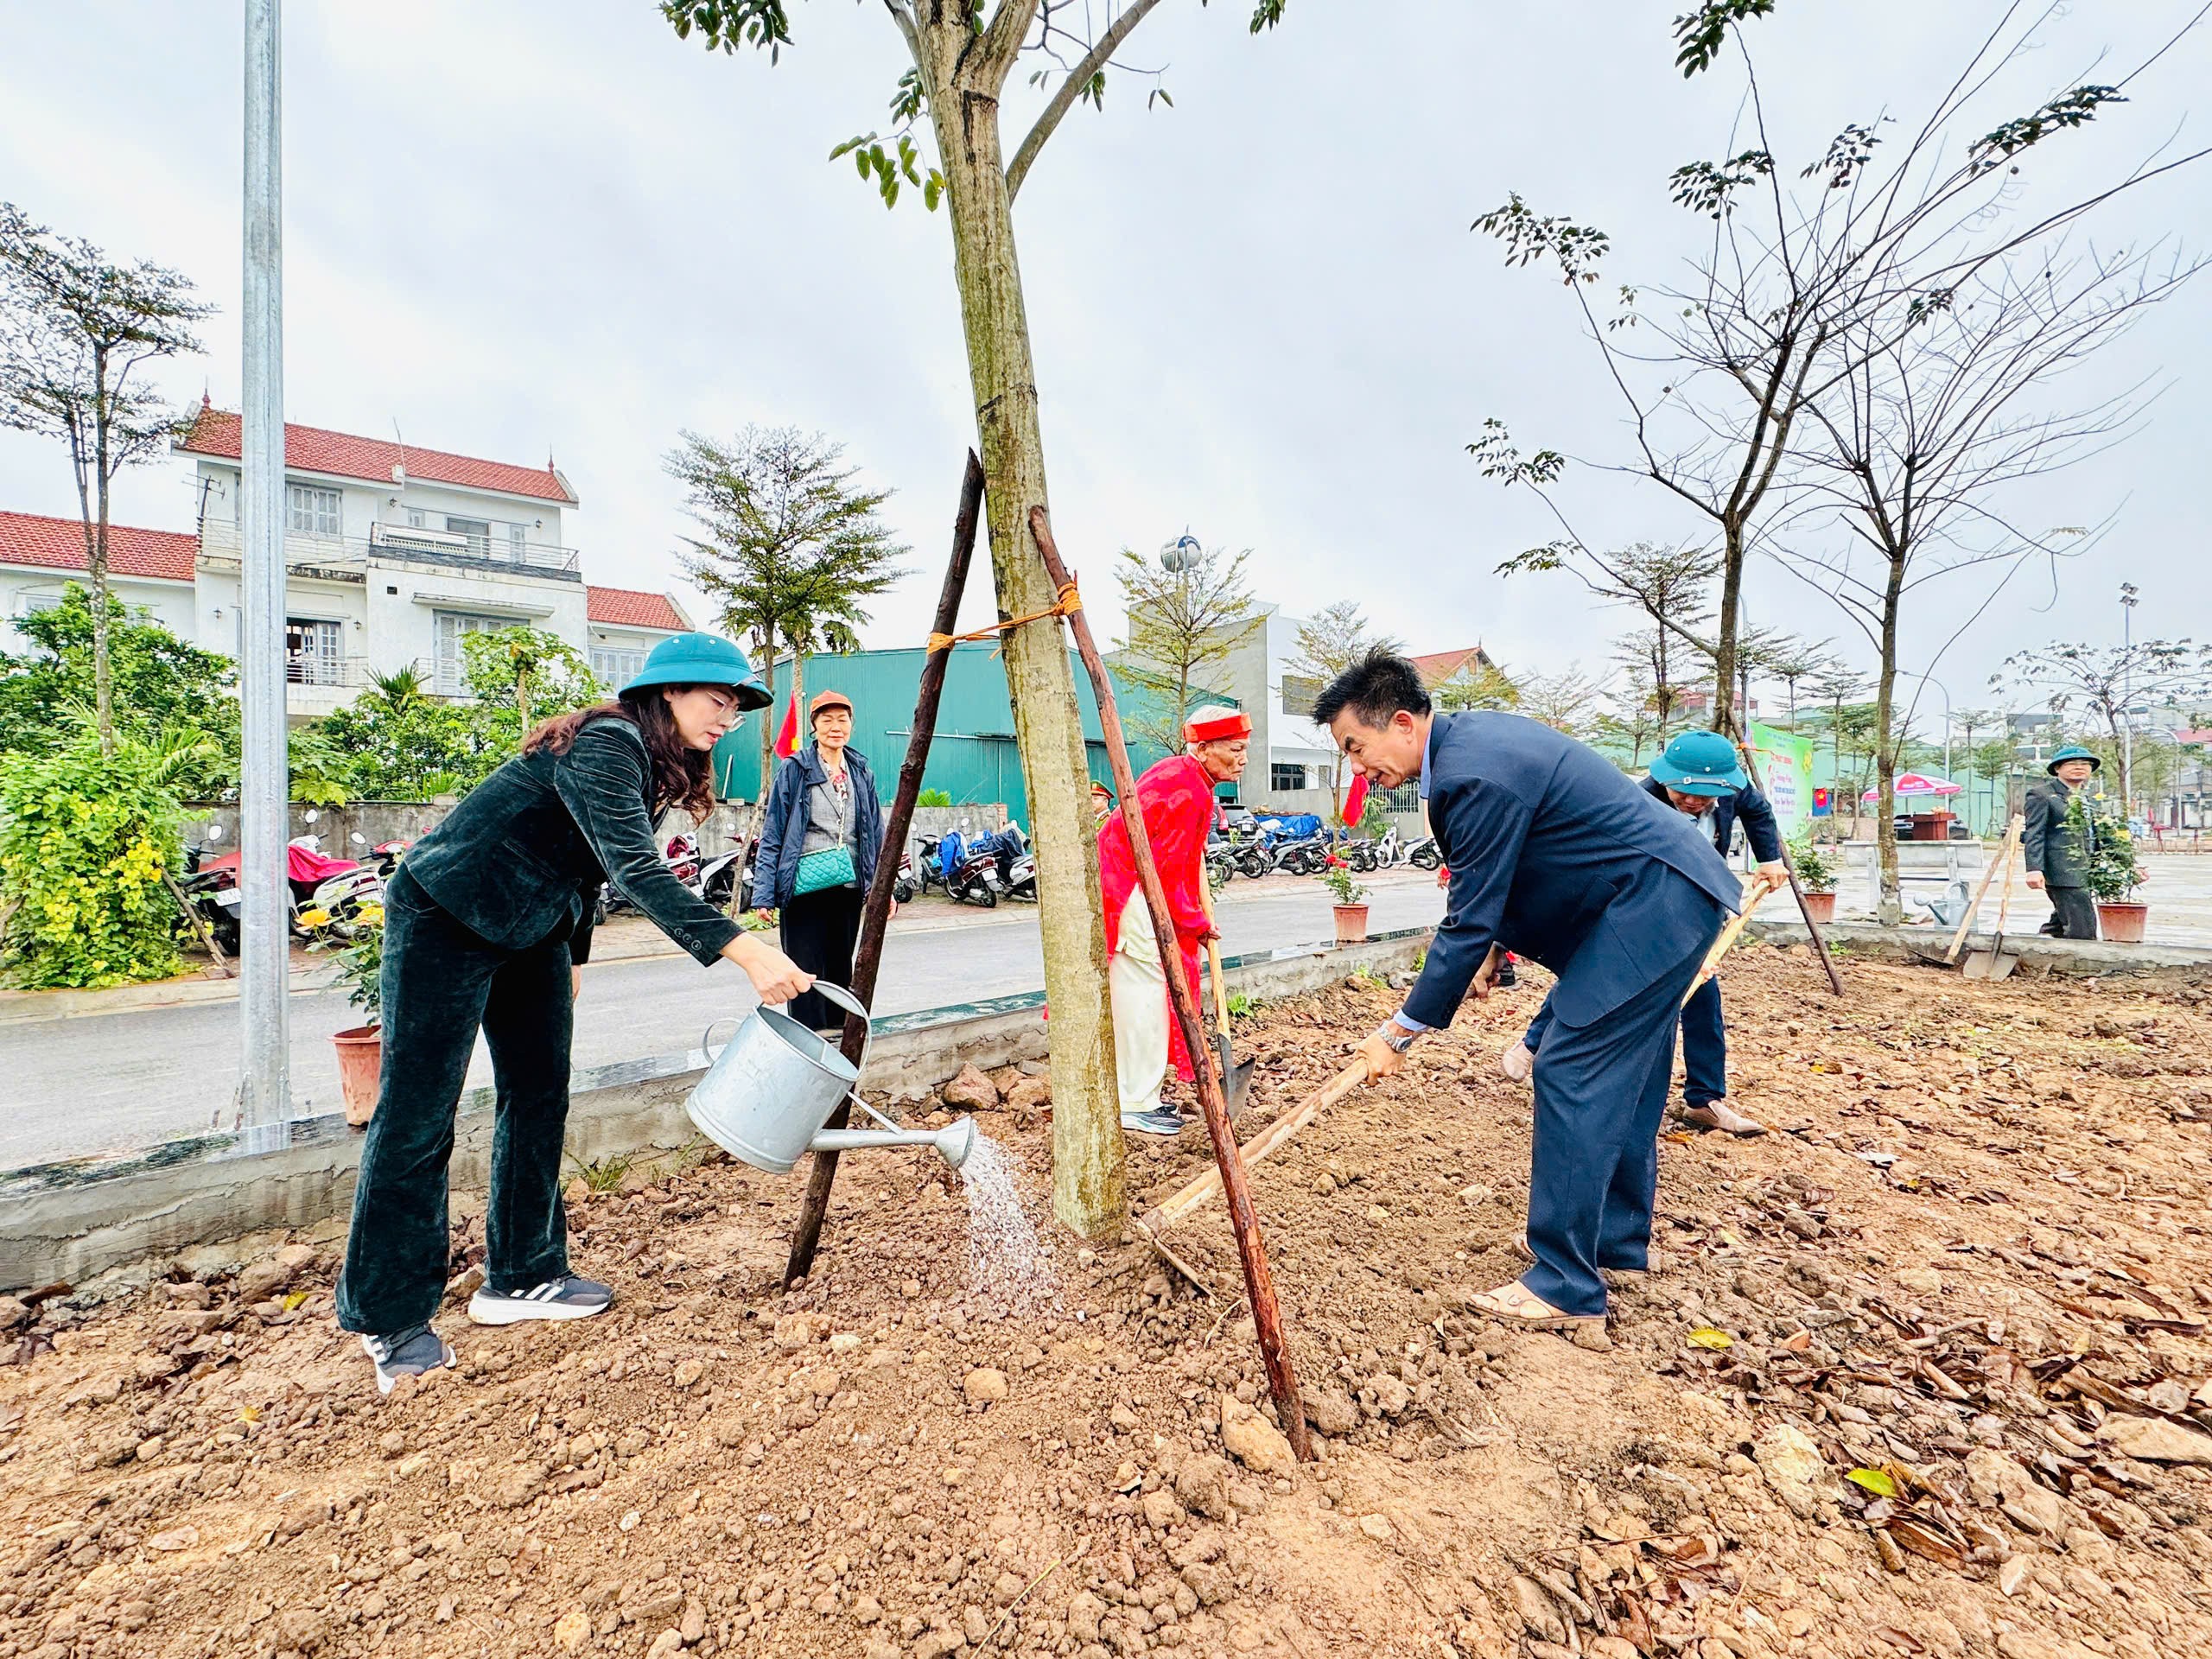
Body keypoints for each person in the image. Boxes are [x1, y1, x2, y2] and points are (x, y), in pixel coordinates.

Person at [337, 632, 813, 1393]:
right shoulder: (606, 743)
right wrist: (746, 951)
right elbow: (635, 866)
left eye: (737, 706)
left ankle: (521, 1276)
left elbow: (587, 864)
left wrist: (577, 956)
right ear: (669, 694)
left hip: (535, 929)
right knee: (418, 1112)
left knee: (539, 1094)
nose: (729, 717)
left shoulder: (657, 766)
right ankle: (389, 1317)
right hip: (446, 915)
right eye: (718, 701)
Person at [1319, 650, 1737, 1334]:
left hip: (1652, 905)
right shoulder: (1471, 748)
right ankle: (1615, 1243)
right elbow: (1500, 882)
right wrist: (1487, 949)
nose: (1359, 768)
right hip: (1663, 899)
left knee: (1572, 1065)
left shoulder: (1471, 772)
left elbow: (1469, 913)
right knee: (1629, 1071)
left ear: (1400, 722)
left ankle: (1565, 1281)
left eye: (1356, 748)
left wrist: (1400, 1031)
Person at [1502, 730, 1788, 1136]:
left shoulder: (1736, 791)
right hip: (1640, 907)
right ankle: (1533, 1043)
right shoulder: (1636, 798)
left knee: (1704, 998)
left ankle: (1704, 1100)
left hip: (1699, 909)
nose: (1692, 801)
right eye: (1684, 791)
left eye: (1704, 795)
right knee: (1592, 974)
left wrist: (1770, 859)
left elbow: (1759, 815)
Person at [1100, 706, 1250, 1136]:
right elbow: (1165, 870)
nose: (1242, 759)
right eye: (1235, 750)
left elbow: (1178, 862)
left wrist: (1193, 919)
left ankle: (1140, 1095)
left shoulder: (1183, 778)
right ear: (1204, 749)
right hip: (1130, 892)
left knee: (1144, 994)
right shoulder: (1188, 792)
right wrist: (1196, 921)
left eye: (1244, 750)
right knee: (1144, 998)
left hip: (1127, 886)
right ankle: (1131, 1100)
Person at [755, 689, 888, 1033]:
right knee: (804, 963)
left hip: (847, 884)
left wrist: (883, 886)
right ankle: (806, 1034)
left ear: (851, 726)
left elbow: (875, 831)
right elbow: (774, 832)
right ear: (814, 726)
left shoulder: (861, 772)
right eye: (826, 720)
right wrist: (764, 893)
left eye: (842, 719)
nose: (835, 727)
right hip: (804, 885)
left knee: (840, 961)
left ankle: (838, 1032)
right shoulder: (795, 769)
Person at [2024, 746, 2107, 940]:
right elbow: (2035, 833)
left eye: (2085, 764)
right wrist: (2034, 869)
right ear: (2057, 768)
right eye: (2072, 764)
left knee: (2061, 922)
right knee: (2082, 926)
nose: (2079, 767)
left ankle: (2038, 951)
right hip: (2062, 870)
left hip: (2086, 869)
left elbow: (2099, 833)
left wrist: (2127, 866)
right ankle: (2082, 966)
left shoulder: (2088, 799)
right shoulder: (2042, 795)